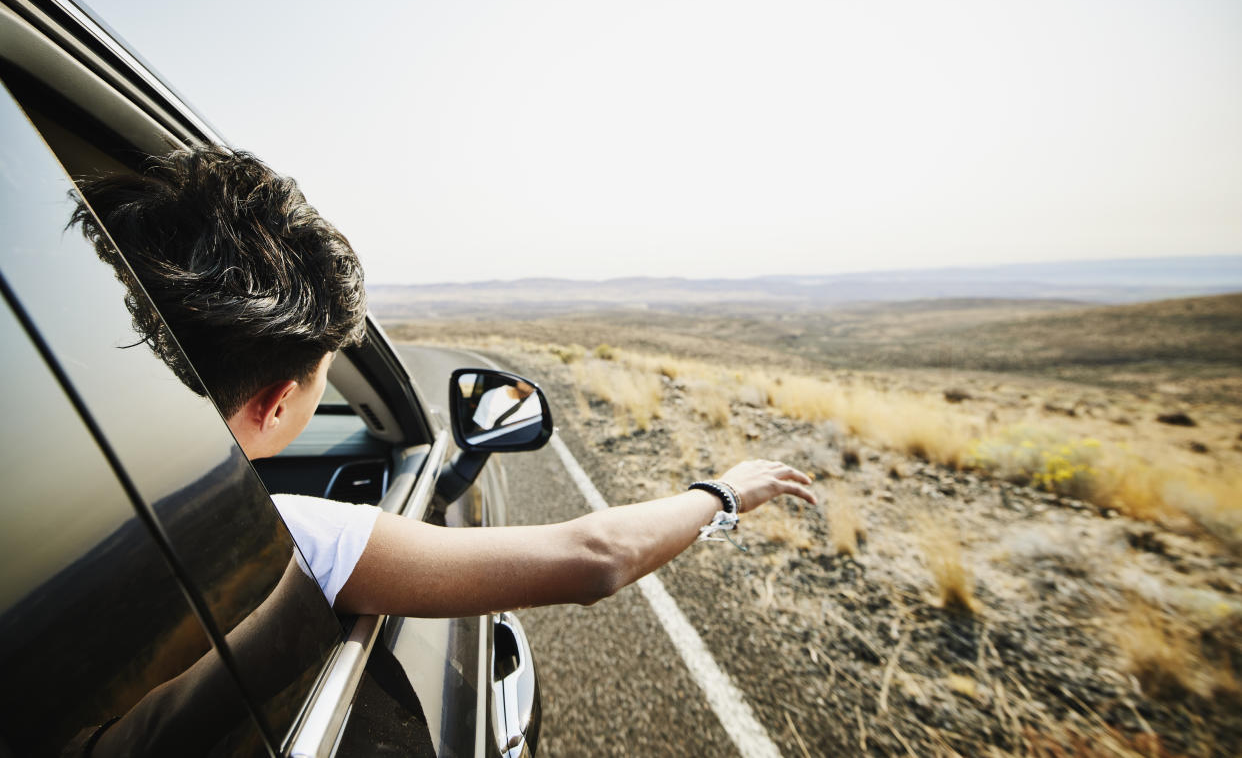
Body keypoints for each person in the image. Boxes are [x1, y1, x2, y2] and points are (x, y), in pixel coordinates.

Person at [74, 145, 816, 618]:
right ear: (273, 405)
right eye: (323, 382)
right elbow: (597, 557)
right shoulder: (290, 539)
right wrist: (725, 492)